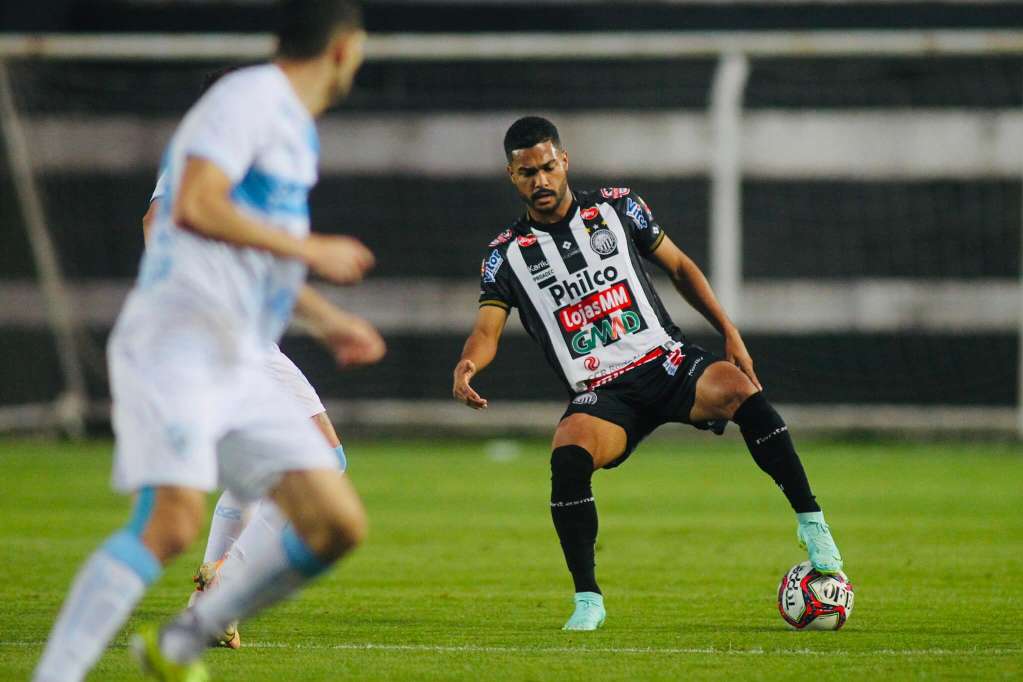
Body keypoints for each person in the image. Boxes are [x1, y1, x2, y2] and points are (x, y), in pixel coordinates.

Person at [33, 2, 382, 680]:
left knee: (337, 521)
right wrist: (310, 247)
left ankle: (186, 638)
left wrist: (323, 316)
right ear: (343, 49)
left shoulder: (294, 133)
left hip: (239, 350)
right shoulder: (248, 99)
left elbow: (257, 260)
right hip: (180, 340)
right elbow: (190, 205)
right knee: (168, 523)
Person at [451, 116, 843, 632]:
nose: (541, 181)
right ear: (512, 176)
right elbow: (487, 330)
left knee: (741, 391)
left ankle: (812, 523)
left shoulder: (618, 208)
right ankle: (588, 600)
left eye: (548, 168)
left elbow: (679, 267)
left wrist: (729, 330)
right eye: (528, 174)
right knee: (568, 455)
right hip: (603, 393)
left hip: (666, 364)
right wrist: (468, 364)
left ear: (564, 161)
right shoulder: (506, 256)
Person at [144, 83, 350, 649]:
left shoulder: (265, 163)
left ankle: (205, 605)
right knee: (323, 458)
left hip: (253, 336)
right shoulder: (208, 151)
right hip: (220, 332)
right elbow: (160, 222)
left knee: (265, 470)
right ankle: (216, 601)